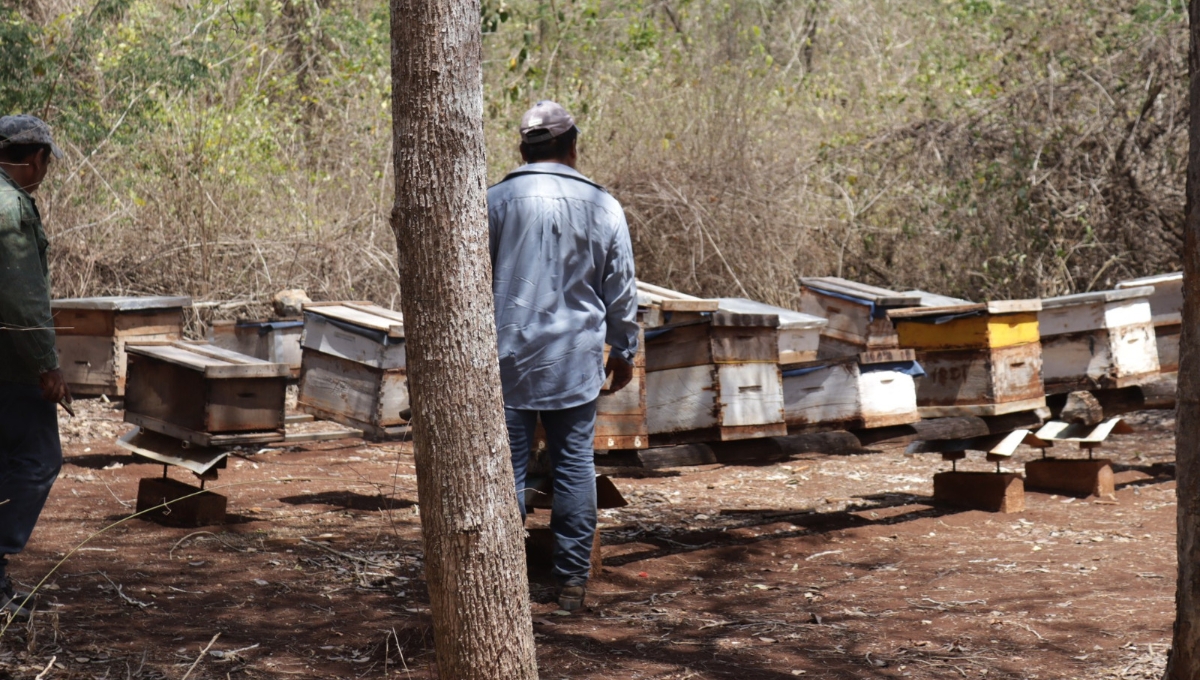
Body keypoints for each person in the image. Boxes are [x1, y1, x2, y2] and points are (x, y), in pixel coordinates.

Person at [488, 101, 639, 612]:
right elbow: (620, 288)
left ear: (521, 149)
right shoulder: (603, 206)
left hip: (504, 358)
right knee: (573, 464)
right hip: (574, 358)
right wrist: (624, 347)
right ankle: (571, 584)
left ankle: (498, 584)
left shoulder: (494, 200)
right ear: (573, 146)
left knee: (504, 469)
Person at [0, 114, 68, 619]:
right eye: (46, 163)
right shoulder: (10, 208)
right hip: (10, 367)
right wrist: (46, 365)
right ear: (34, 159)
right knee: (39, 458)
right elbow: (21, 299)